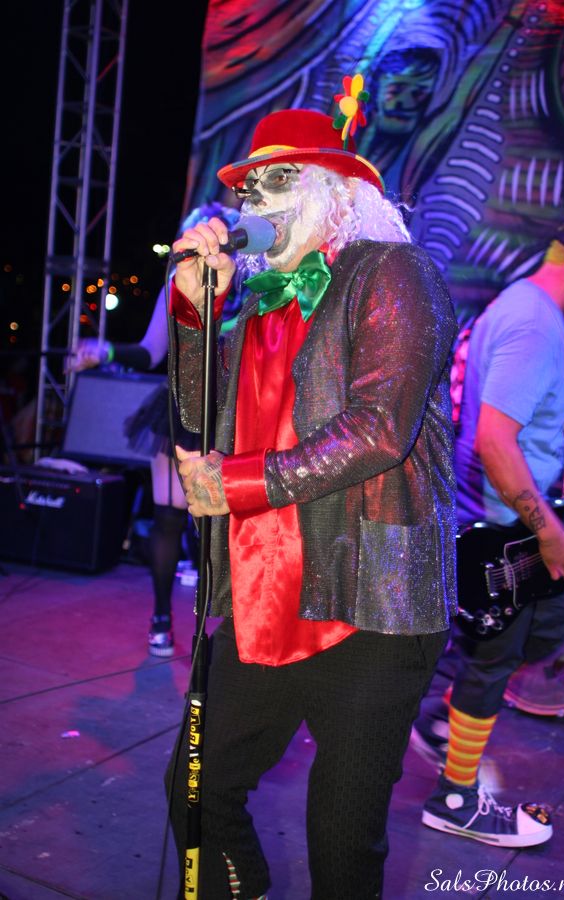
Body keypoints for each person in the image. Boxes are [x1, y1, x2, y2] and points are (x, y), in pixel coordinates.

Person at [167, 98, 458, 899]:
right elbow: (201, 417)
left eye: (276, 180)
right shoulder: (261, 305)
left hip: (372, 602)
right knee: (195, 788)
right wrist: (196, 309)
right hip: (268, 592)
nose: (253, 200)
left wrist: (236, 485)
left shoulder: (391, 272)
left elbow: (379, 429)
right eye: (246, 187)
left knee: (341, 839)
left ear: (335, 188)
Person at [417, 210, 564, 847]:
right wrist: (549, 532)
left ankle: (441, 712)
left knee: (548, 626)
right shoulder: (532, 324)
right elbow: (496, 441)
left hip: (515, 524)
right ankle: (455, 798)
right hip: (502, 531)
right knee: (494, 663)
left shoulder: (542, 317)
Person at [70, 204, 240, 657]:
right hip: (185, 411)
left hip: (237, 413)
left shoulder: (253, 286)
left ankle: (223, 629)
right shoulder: (177, 284)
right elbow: (151, 352)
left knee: (221, 525)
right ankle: (163, 618)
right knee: (171, 516)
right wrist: (105, 351)